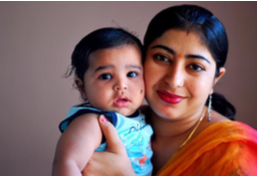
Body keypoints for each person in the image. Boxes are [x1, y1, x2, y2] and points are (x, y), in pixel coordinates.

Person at [81, 4, 257, 176]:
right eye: (162, 57)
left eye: (195, 67)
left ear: (215, 80)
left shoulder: (234, 155)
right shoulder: (112, 125)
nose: (174, 80)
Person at [52, 28, 153, 176]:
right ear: (82, 88)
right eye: (105, 76)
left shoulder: (143, 114)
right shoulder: (93, 122)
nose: (121, 85)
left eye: (131, 74)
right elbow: (67, 163)